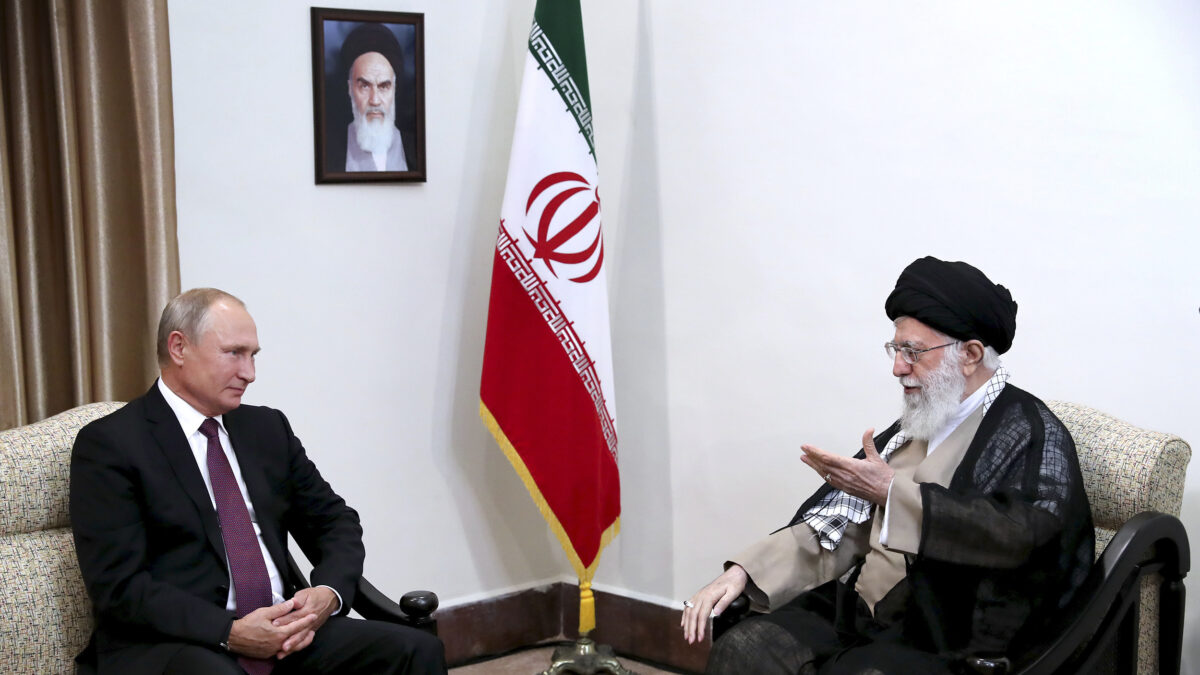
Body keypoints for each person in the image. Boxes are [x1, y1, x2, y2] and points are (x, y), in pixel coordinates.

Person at [681, 257, 1094, 675]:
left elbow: (1024, 536)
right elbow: (842, 525)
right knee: (746, 649)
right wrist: (745, 572)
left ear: (970, 355)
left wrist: (893, 494)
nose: (897, 367)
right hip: (858, 612)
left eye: (912, 352)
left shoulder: (1027, 429)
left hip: (941, 633)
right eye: (896, 349)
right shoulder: (920, 421)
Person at [70, 288, 445, 675]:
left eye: (253, 356)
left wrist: (327, 595)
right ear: (179, 348)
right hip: (177, 642)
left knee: (417, 651)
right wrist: (229, 632)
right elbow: (120, 586)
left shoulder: (266, 428)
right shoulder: (111, 444)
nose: (250, 373)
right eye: (234, 353)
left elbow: (335, 520)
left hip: (286, 631)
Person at [339, 23, 412, 172]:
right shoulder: (331, 150)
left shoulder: (414, 150)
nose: (375, 100)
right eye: (365, 86)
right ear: (350, 88)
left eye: (384, 86)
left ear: (394, 89)